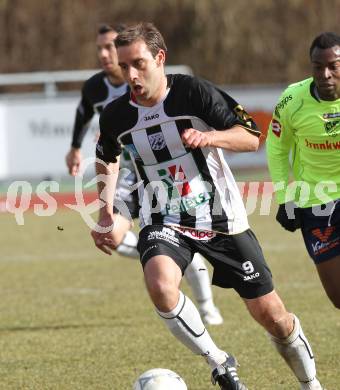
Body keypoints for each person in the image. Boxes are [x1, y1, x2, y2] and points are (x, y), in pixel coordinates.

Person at [91, 22, 323, 389]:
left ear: (160, 58)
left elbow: (250, 137)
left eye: (139, 63)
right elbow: (106, 155)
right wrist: (106, 210)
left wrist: (209, 135)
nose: (130, 75)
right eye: (124, 67)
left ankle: (312, 385)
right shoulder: (117, 114)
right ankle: (218, 362)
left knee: (273, 317)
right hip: (162, 217)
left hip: (221, 219)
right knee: (161, 284)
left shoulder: (194, 93)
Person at [65, 23, 223, 325]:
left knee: (179, 234)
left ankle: (206, 305)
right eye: (99, 48)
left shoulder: (143, 79)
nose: (104, 53)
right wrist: (74, 147)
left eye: (109, 46)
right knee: (110, 235)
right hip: (127, 173)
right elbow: (84, 112)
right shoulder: (95, 87)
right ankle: (163, 246)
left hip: (163, 173)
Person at [266, 32, 340, 310]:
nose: (326, 74)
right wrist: (284, 198)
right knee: (337, 296)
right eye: (318, 66)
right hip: (316, 202)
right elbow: (275, 148)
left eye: (334, 65)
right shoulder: (292, 99)